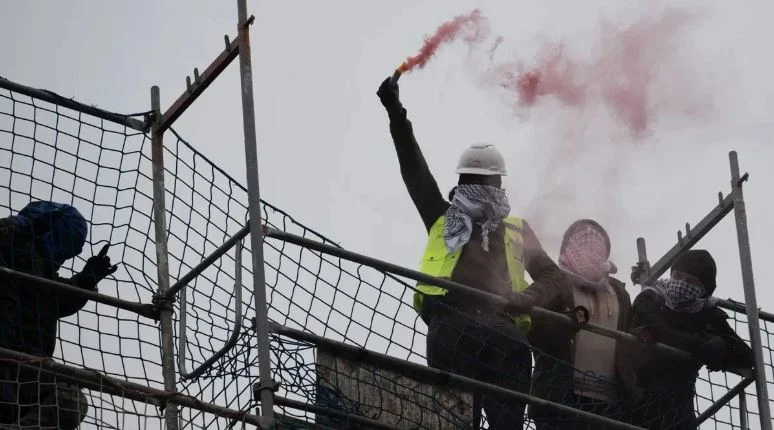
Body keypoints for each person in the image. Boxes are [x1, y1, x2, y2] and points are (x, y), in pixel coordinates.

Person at [377, 76, 565, 430]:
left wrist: (527, 297)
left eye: (482, 181)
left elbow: (553, 279)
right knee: (454, 420)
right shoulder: (443, 215)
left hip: (500, 329)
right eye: (472, 181)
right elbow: (414, 171)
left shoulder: (514, 228)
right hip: (456, 324)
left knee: (484, 420)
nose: (478, 188)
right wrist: (396, 115)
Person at [0, 201, 118, 429]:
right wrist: (27, 230)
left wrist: (86, 280)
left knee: (69, 399)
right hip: (4, 351)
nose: (67, 255)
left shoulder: (44, 270)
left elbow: (57, 300)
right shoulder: (13, 234)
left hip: (28, 364)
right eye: (69, 244)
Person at [625, 249, 754, 429]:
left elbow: (747, 355)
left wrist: (724, 346)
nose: (681, 284)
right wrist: (699, 345)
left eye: (690, 281)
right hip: (638, 398)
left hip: (681, 407)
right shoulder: (650, 299)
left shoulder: (707, 313)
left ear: (703, 289)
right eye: (677, 276)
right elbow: (659, 332)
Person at [527, 219, 633, 429]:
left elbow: (630, 342)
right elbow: (534, 330)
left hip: (610, 407)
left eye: (598, 240)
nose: (590, 244)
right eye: (581, 238)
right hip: (559, 399)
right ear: (567, 246)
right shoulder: (556, 281)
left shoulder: (620, 293)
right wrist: (567, 322)